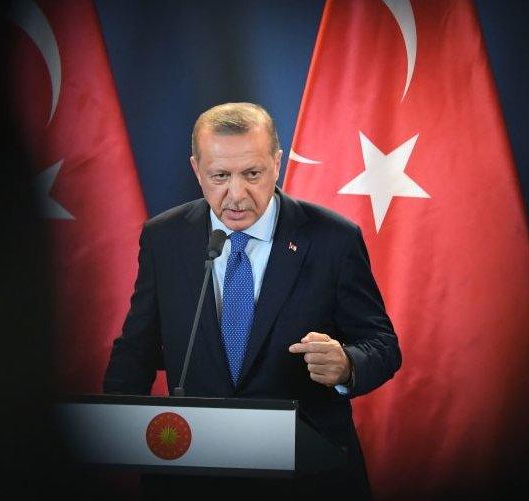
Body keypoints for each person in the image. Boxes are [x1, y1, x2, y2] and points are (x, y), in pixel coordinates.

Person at [103, 102, 401, 499]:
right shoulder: (165, 237)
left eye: (252, 174)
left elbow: (382, 344)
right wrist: (109, 429)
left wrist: (347, 364)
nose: (236, 194)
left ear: (277, 163)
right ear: (196, 169)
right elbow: (137, 348)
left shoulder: (332, 238)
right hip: (191, 472)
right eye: (220, 176)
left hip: (307, 474)